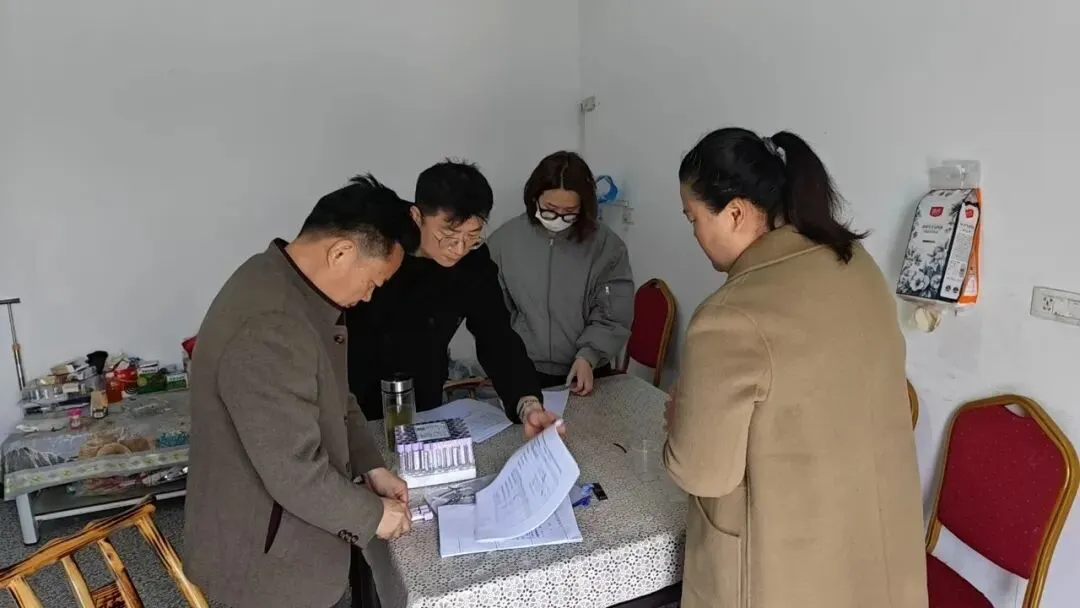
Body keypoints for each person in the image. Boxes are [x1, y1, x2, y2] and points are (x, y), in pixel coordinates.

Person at [664, 128, 927, 608]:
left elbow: (703, 473)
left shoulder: (728, 317)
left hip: (787, 570)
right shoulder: (856, 265)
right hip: (875, 550)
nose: (695, 234)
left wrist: (683, 416)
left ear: (736, 213)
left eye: (693, 218)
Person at [184, 175, 418, 608]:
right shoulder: (271, 324)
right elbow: (293, 470)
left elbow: (335, 394)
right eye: (372, 282)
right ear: (341, 253)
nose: (369, 297)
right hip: (266, 567)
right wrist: (372, 516)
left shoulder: (285, 285)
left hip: (285, 540)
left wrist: (371, 465)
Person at [346, 160, 559, 437]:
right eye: (448, 235)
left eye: (472, 236)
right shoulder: (376, 243)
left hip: (424, 395)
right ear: (416, 216)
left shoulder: (472, 263)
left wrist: (527, 404)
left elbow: (496, 335)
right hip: (355, 393)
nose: (459, 249)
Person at [488, 151, 633, 395]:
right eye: (550, 209)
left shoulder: (606, 247)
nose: (558, 218)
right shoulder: (504, 242)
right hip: (524, 368)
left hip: (586, 371)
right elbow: (494, 313)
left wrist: (589, 355)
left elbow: (613, 314)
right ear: (534, 198)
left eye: (569, 212)